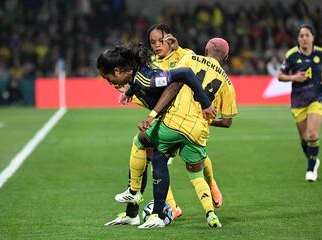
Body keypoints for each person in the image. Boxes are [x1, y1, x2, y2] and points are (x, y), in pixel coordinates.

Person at [97, 43, 216, 225]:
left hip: (177, 120)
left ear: (119, 70)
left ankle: (143, 202)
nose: (110, 83)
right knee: (152, 155)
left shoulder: (149, 78)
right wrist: (130, 91)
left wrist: (205, 102)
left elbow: (184, 74)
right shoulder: (137, 75)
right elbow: (139, 83)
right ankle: (138, 213)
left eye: (108, 78)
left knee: (141, 143)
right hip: (173, 120)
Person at [136, 37, 237, 228]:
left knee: (144, 145)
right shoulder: (228, 83)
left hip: (174, 122)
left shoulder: (191, 59)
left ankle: (148, 200)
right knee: (196, 175)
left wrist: (152, 112)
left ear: (206, 48)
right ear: (226, 57)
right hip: (198, 131)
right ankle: (210, 213)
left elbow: (173, 84)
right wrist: (205, 118)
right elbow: (226, 122)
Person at [278, 24, 322, 182]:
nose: (304, 38)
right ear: (298, 39)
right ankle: (313, 159)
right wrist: (294, 77)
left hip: (317, 97)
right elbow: (280, 75)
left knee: (312, 134)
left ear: (312, 37)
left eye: (307, 35)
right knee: (304, 138)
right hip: (298, 100)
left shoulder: (321, 53)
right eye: (301, 36)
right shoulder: (291, 55)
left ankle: (311, 169)